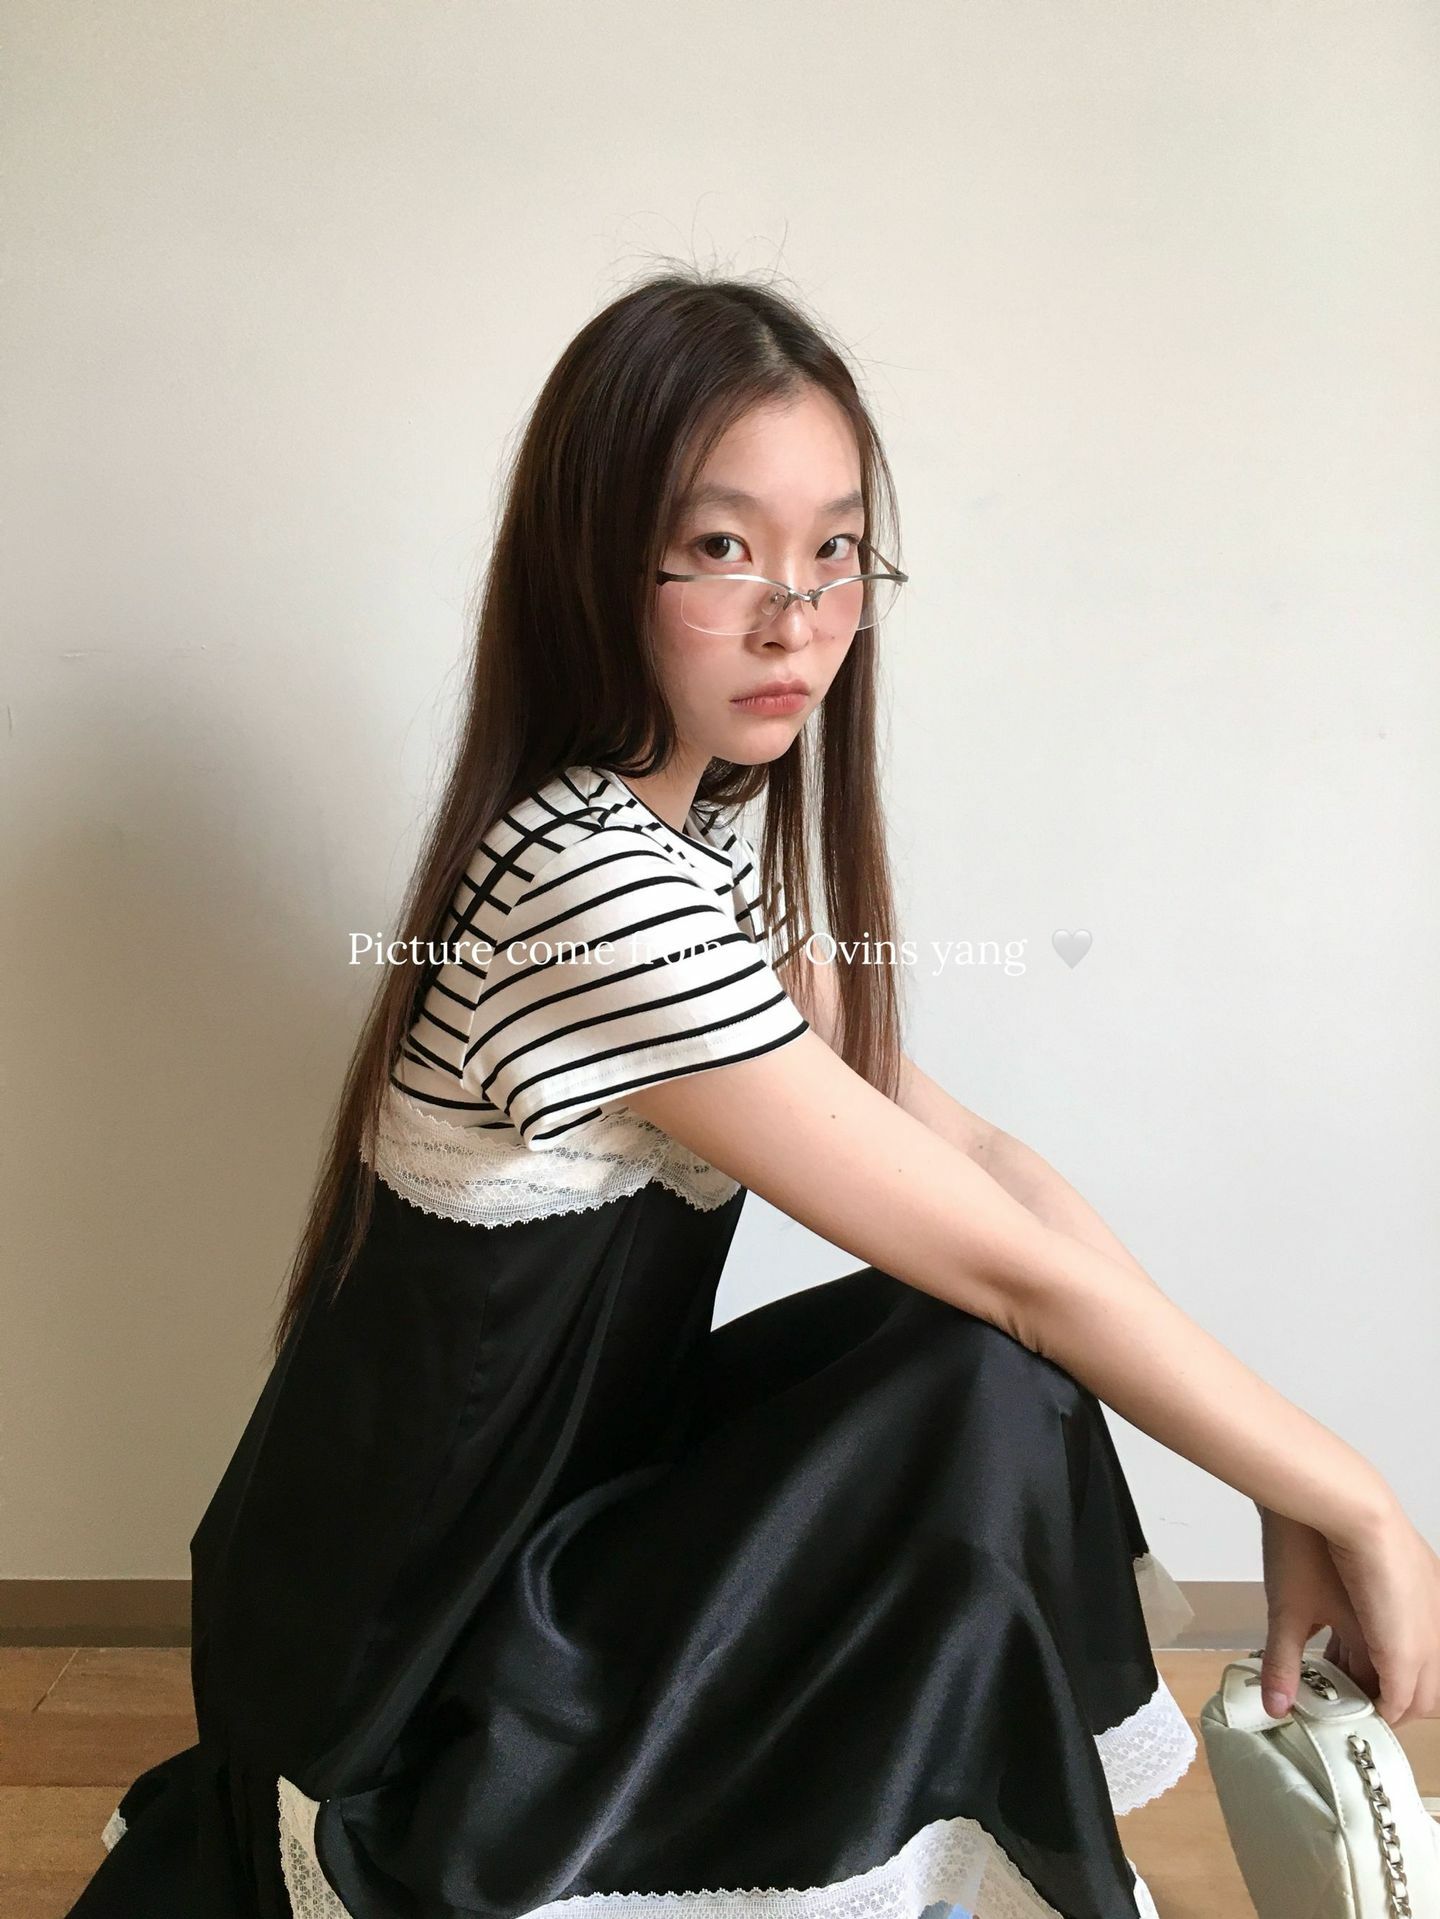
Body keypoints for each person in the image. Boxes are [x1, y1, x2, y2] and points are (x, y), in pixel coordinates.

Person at [68, 271, 1440, 1919]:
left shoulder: (691, 849)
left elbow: (992, 1173)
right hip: (409, 1647)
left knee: (975, 1375)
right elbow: (1013, 1271)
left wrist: (1285, 1480)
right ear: (594, 561)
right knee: (988, 1363)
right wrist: (1346, 1492)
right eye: (723, 547)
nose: (796, 617)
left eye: (836, 551)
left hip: (550, 1534)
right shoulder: (589, 890)